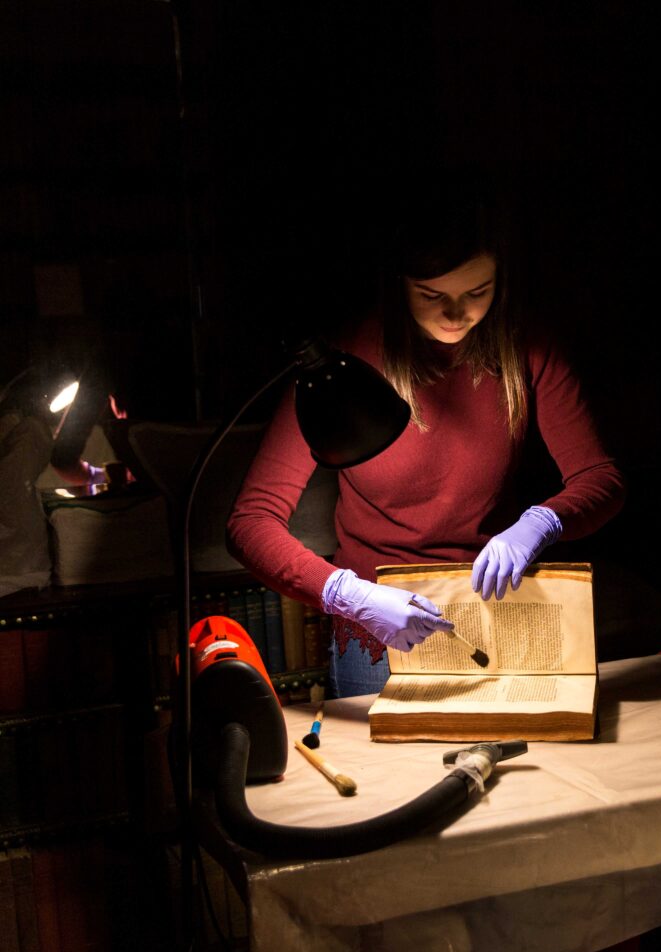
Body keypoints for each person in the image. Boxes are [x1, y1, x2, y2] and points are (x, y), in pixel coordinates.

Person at [226, 172, 626, 698]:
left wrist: (542, 522)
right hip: (379, 629)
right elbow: (250, 522)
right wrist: (346, 592)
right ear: (399, 284)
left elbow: (601, 479)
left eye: (477, 292)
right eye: (431, 294)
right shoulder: (342, 366)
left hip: (495, 614)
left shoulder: (525, 347)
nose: (456, 314)